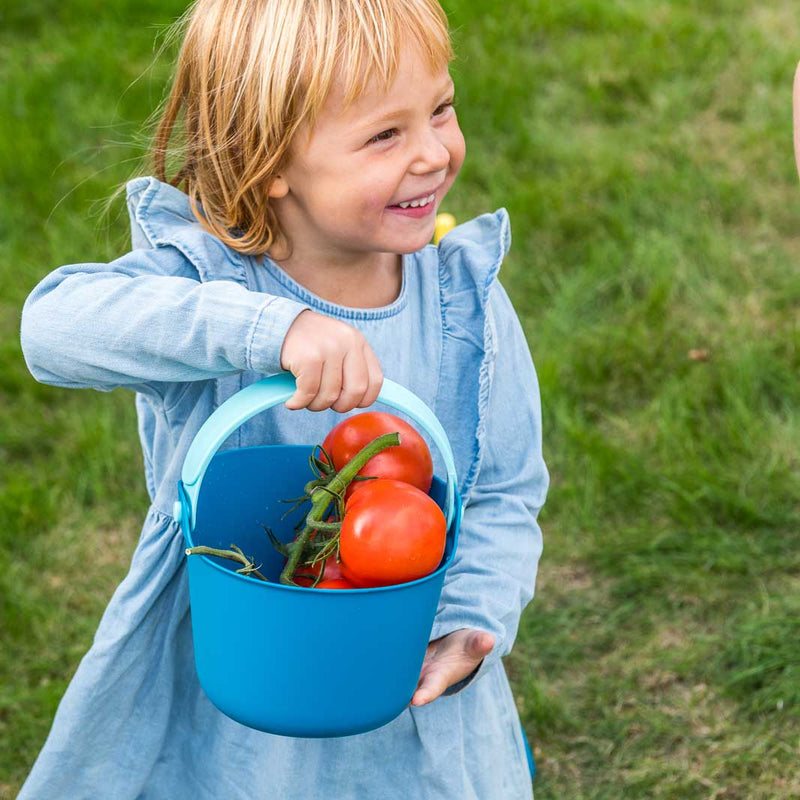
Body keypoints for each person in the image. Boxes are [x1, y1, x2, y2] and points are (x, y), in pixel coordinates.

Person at [18, 0, 548, 797]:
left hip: (402, 681)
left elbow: (505, 488)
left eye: (440, 109)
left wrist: (470, 619)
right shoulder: (209, 281)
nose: (435, 153)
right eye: (385, 135)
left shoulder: (463, 303)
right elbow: (52, 328)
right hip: (236, 687)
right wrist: (269, 328)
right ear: (268, 160)